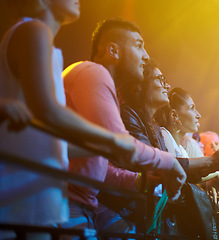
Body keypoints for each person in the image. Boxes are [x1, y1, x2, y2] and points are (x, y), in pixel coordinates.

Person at [0, 1, 146, 239]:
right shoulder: (34, 31)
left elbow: (50, 138)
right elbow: (48, 110)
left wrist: (101, 147)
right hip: (19, 191)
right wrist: (113, 140)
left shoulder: (42, 39)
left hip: (34, 195)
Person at [60, 18, 186, 235]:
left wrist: (139, 180)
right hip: (66, 203)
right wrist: (169, 162)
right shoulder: (93, 73)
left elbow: (94, 162)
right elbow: (120, 144)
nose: (146, 56)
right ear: (113, 50)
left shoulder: (97, 80)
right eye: (138, 45)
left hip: (79, 203)